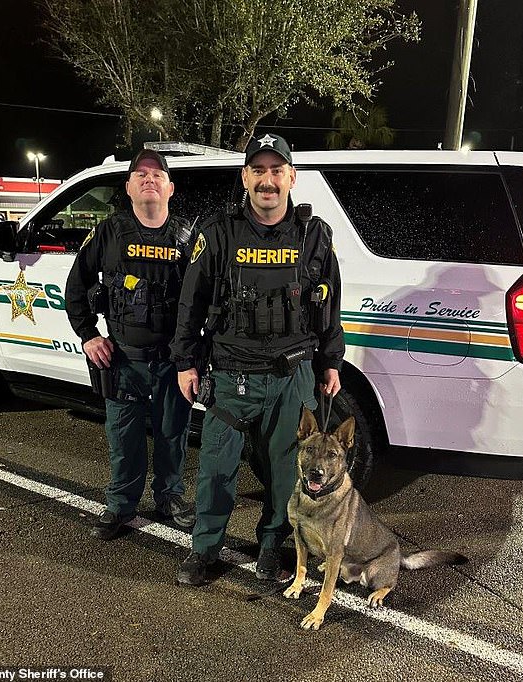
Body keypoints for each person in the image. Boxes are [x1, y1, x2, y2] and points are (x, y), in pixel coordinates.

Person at [170, 133, 344, 585]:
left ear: (292, 177)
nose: (268, 181)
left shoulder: (314, 235)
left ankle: (272, 545)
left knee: (288, 473)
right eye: (259, 171)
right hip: (231, 375)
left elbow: (329, 305)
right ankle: (205, 550)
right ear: (245, 176)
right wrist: (186, 363)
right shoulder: (218, 233)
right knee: (215, 470)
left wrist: (331, 361)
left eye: (276, 170)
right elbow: (190, 304)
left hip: (293, 375)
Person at [65, 149, 196, 539]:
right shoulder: (108, 232)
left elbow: (204, 300)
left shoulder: (189, 237)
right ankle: (121, 504)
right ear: (128, 187)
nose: (149, 179)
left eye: (158, 174)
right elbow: (76, 286)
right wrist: (88, 334)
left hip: (173, 362)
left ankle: (170, 498)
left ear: (170, 188)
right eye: (140, 174)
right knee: (124, 438)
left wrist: (194, 356)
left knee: (173, 434)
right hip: (124, 361)